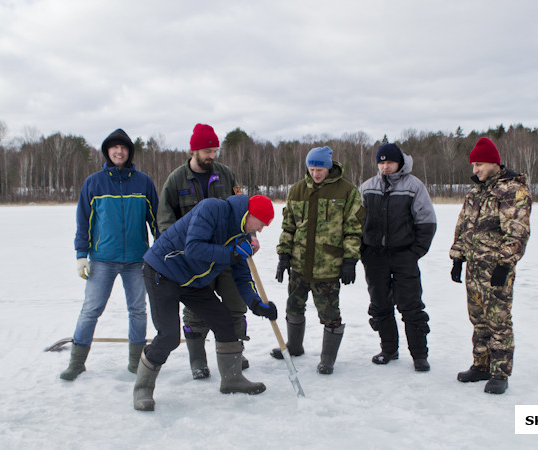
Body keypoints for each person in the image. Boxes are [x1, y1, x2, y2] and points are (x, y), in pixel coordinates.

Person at [133, 195, 278, 411]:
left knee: (223, 320)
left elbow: (242, 276)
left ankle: (232, 379)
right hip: (162, 272)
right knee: (169, 336)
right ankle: (143, 388)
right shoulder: (213, 209)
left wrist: (256, 303)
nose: (261, 230)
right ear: (251, 214)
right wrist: (230, 253)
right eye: (262, 223)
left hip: (192, 281)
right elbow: (194, 247)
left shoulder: (242, 238)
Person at [158, 123, 258, 380]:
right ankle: (197, 360)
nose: (212, 155)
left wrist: (251, 237)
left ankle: (234, 353)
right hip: (194, 258)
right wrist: (180, 252)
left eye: (215, 150)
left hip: (227, 256)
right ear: (194, 151)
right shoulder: (176, 180)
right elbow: (165, 221)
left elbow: (243, 209)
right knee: (196, 312)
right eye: (207, 151)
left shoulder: (226, 175)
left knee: (236, 305)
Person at [60, 128, 159, 381]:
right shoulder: (94, 183)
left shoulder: (144, 182)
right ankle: (77, 362)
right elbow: (84, 221)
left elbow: (156, 221)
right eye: (114, 147)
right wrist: (81, 254)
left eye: (124, 147)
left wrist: (160, 252)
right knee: (91, 309)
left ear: (129, 152)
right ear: (107, 151)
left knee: (138, 310)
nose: (119, 151)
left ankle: (137, 362)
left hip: (138, 259)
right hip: (102, 258)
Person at [449, 137, 532, 395]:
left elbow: (517, 232)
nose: (476, 170)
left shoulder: (512, 191)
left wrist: (505, 265)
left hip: (496, 269)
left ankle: (499, 373)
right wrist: (457, 257)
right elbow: (464, 227)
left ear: (494, 163)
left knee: (498, 320)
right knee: (478, 319)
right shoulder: (475, 192)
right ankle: (481, 365)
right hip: (474, 268)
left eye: (480, 164)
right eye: (474, 165)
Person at [273, 146, 364, 375]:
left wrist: (350, 260)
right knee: (293, 306)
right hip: (299, 264)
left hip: (328, 266)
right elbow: (288, 227)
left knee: (330, 314)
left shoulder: (347, 191)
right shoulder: (296, 191)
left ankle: (327, 359)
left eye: (320, 168)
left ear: (329, 166)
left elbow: (353, 230)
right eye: (312, 169)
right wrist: (284, 256)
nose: (316, 173)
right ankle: (294, 347)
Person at [359, 143, 437, 372]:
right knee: (380, 304)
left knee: (410, 305)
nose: (385, 167)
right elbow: (355, 222)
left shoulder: (414, 187)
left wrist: (414, 253)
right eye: (381, 163)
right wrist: (363, 250)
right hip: (375, 256)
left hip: (404, 255)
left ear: (400, 162)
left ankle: (419, 355)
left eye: (389, 162)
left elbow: (427, 221)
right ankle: (389, 349)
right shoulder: (367, 188)